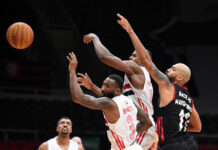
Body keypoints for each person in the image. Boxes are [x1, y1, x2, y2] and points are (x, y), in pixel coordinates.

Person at [116, 13, 202, 150]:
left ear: (180, 78)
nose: (168, 69)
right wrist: (177, 129)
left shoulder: (168, 85)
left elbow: (146, 62)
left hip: (174, 145)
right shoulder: (188, 100)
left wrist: (130, 31)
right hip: (190, 143)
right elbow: (197, 127)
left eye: (173, 69)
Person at [82, 33, 158, 149]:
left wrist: (95, 38)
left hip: (144, 125)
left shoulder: (138, 70)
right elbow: (114, 103)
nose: (130, 58)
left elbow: (105, 57)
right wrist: (92, 87)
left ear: (144, 59)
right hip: (139, 124)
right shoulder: (136, 78)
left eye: (134, 56)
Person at [66, 52, 152, 150]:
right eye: (103, 84)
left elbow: (78, 98)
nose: (103, 88)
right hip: (134, 146)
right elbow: (147, 122)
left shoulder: (109, 104)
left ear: (118, 90)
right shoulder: (129, 101)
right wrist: (131, 134)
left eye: (107, 86)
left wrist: (72, 71)